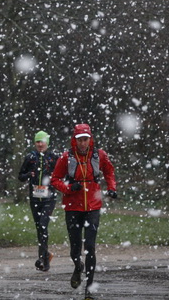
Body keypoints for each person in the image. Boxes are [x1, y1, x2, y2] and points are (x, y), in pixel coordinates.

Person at [51, 123, 117, 300]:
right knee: (75, 249)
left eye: (85, 139)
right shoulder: (66, 157)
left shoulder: (99, 155)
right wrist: (70, 187)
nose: (82, 143)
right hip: (73, 207)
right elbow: (55, 180)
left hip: (93, 207)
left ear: (90, 139)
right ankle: (77, 266)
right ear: (75, 140)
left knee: (89, 247)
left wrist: (112, 188)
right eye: (79, 140)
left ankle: (89, 289)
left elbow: (109, 171)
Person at [18, 130, 59, 272]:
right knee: (39, 228)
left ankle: (42, 259)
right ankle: (46, 257)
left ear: (47, 142)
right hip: (35, 197)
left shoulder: (54, 157)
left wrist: (55, 179)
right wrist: (29, 174)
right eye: (37, 141)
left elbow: (62, 175)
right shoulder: (30, 157)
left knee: (43, 225)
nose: (40, 144)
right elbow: (20, 176)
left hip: (49, 198)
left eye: (42, 141)